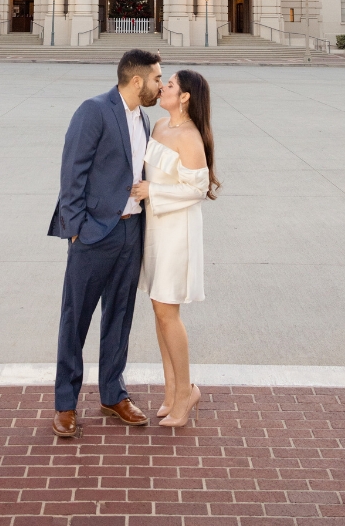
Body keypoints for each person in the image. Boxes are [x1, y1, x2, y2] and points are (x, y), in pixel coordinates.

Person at [48, 47, 162, 438]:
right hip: (94, 234)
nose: (159, 85)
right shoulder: (94, 110)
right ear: (136, 81)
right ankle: (65, 403)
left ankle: (113, 394)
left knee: (120, 316)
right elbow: (72, 169)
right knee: (76, 318)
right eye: (156, 78)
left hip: (131, 232)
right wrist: (75, 227)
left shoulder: (143, 118)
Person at [132, 68, 219, 427]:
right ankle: (170, 390)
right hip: (155, 228)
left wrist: (154, 192)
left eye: (169, 85)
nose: (162, 87)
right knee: (158, 308)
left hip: (177, 232)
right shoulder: (158, 127)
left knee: (169, 311)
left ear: (184, 97)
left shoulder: (190, 137)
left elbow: (197, 190)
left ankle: (186, 393)